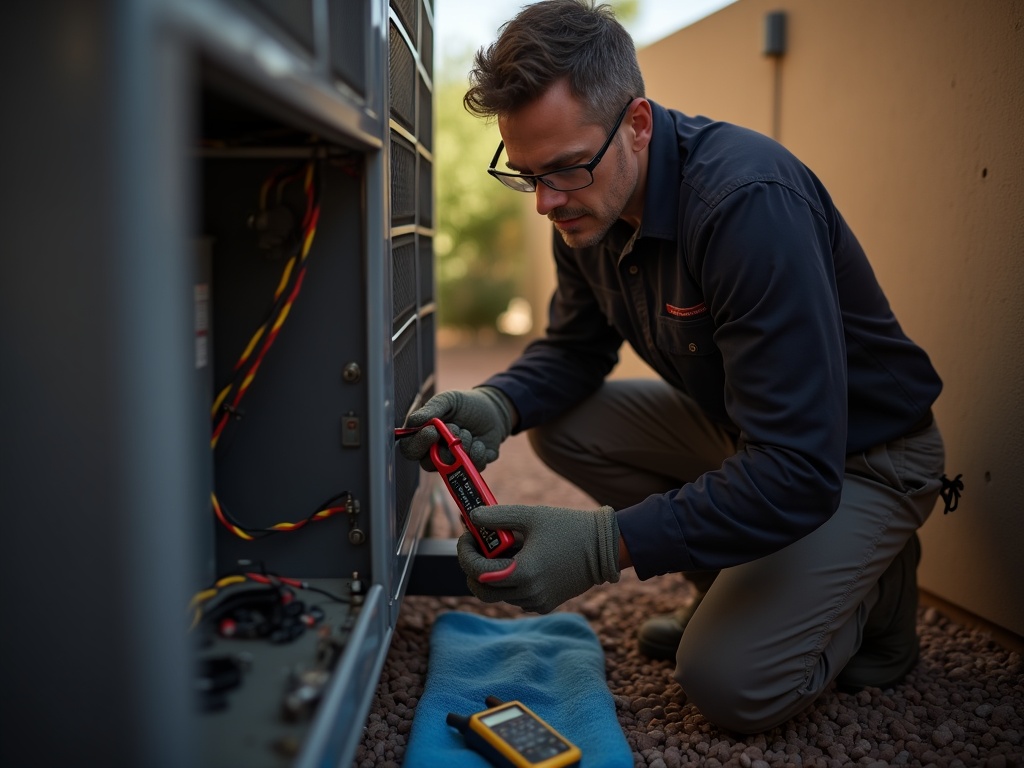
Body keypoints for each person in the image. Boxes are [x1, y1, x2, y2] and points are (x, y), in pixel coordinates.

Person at [399, 0, 948, 734]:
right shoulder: (587, 204)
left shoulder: (745, 205)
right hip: (748, 434)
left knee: (729, 683)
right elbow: (574, 351)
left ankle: (875, 596)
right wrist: (497, 404)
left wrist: (601, 547)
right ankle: (740, 586)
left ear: (639, 123)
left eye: (564, 169)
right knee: (565, 424)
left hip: (859, 458)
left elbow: (797, 466)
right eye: (527, 174)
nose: (548, 203)